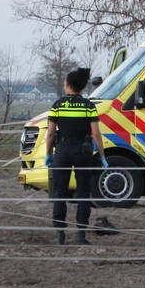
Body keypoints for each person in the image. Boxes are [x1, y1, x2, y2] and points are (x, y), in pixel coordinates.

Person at [44, 68, 108, 245]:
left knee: (60, 193)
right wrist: (102, 156)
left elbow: (50, 134)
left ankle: (60, 235)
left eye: (65, 83)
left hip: (63, 151)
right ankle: (81, 235)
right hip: (83, 151)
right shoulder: (89, 106)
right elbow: (96, 134)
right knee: (84, 194)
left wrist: (48, 154)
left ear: (69, 85)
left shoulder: (57, 105)